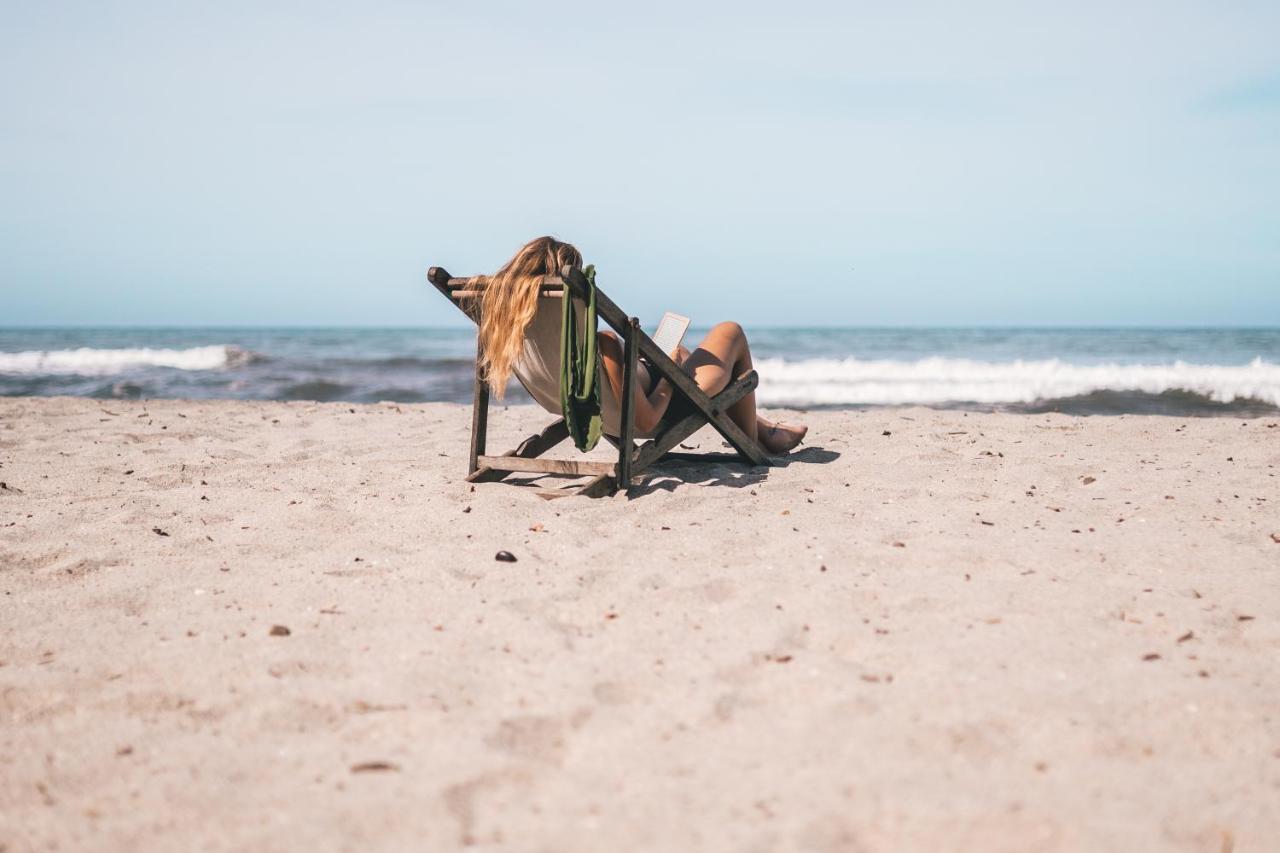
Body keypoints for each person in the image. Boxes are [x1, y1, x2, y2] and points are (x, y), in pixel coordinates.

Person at [471, 236, 807, 455]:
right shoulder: (602, 346)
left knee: (686, 353)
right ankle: (755, 441)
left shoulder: (520, 341)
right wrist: (666, 376)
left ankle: (761, 425)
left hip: (603, 400)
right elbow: (646, 423)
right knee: (730, 332)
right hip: (664, 403)